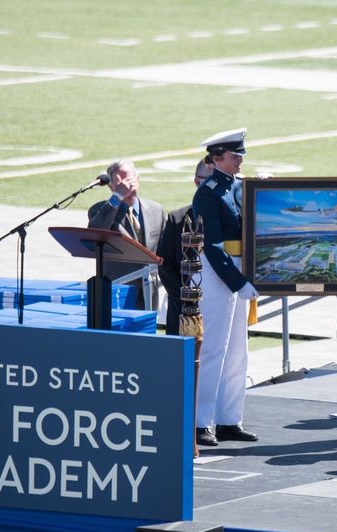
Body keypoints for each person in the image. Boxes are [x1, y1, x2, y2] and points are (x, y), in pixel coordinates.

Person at [191, 128, 259, 446]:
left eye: (241, 155)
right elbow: (213, 246)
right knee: (215, 349)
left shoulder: (240, 187)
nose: (240, 160)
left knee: (237, 352)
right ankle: (202, 421)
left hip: (237, 271)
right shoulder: (208, 192)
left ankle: (230, 419)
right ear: (217, 158)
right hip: (219, 274)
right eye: (235, 156)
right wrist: (238, 282)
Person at [87, 160, 167, 311]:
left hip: (148, 290)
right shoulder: (100, 210)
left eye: (130, 181)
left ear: (138, 179)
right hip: (118, 291)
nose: (127, 187)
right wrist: (117, 197)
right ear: (111, 187)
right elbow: (95, 232)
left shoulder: (156, 210)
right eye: (120, 184)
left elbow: (165, 251)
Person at [158, 158, 213, 335]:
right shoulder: (178, 219)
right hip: (183, 308)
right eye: (212, 180)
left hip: (218, 306)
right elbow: (164, 265)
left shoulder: (230, 218)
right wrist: (187, 298)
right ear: (197, 181)